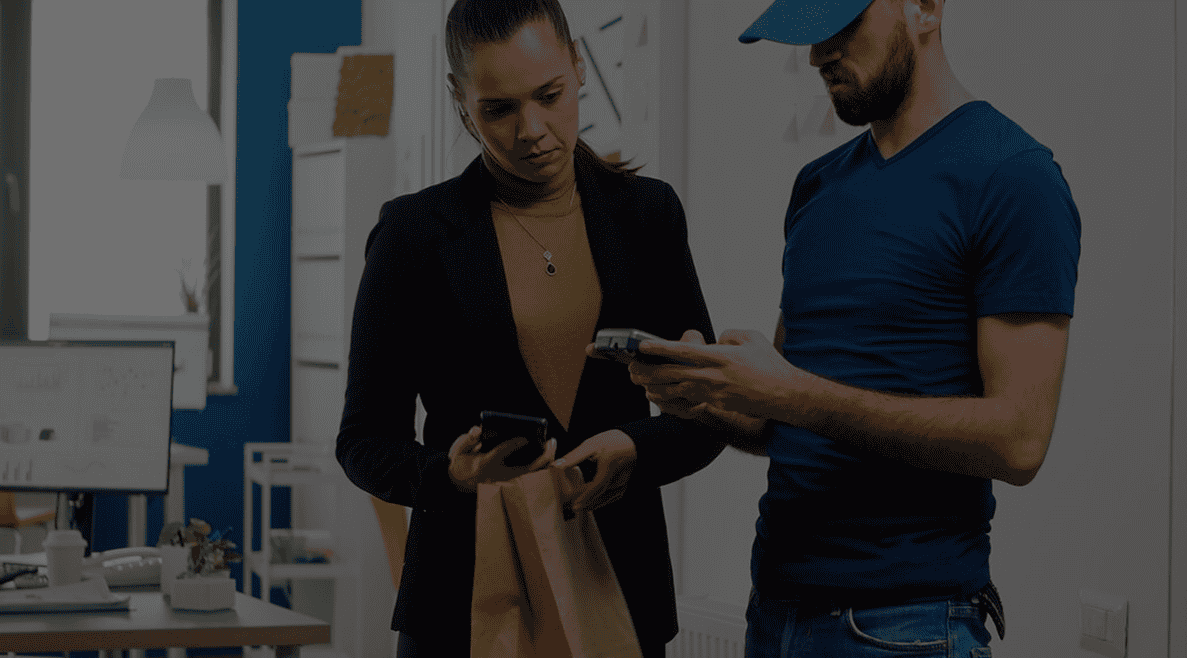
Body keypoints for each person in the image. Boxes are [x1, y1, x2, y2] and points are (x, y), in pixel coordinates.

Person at [626, 1, 1082, 656]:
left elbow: (1018, 441)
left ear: (925, 8)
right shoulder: (818, 186)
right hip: (775, 611)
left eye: (841, 27)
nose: (818, 55)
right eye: (809, 35)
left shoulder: (1013, 177)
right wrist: (707, 398)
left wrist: (790, 394)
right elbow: (786, 421)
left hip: (903, 627)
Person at [334, 1, 727, 656]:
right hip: (461, 606)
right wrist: (449, 476)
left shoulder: (647, 216)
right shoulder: (412, 235)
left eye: (550, 95)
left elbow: (709, 413)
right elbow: (363, 440)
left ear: (578, 66)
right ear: (461, 103)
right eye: (499, 109)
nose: (532, 130)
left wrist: (635, 448)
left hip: (617, 592)